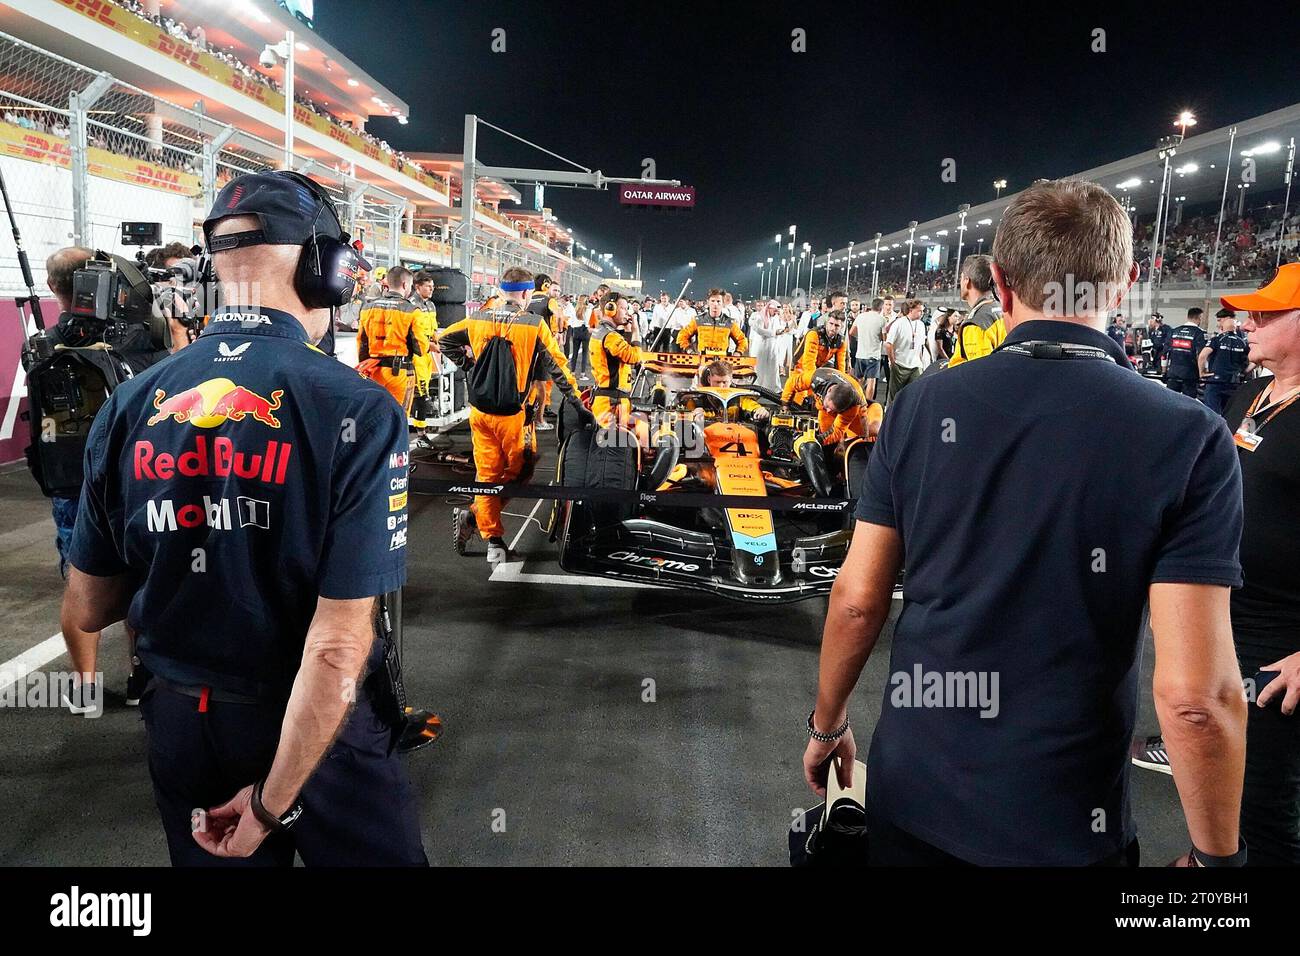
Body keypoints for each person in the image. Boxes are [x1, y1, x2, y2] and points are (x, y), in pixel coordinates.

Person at [803, 179, 1247, 867]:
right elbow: (1194, 696)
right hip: (1065, 822)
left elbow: (857, 602)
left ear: (1002, 285)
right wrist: (1217, 859)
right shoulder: (1188, 436)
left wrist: (828, 723)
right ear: (1125, 284)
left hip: (914, 797)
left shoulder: (921, 408)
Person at [61, 170, 428, 865]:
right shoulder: (358, 407)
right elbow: (335, 646)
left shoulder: (132, 400)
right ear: (329, 269)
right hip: (318, 729)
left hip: (183, 720)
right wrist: (268, 804)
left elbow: (85, 606)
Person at [1132, 263, 1300, 865]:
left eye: (1268, 313)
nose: (1247, 322)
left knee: (1263, 808)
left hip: (1281, 642)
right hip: (1226, 618)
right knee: (1222, 792)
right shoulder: (1250, 393)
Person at [42, 246, 174, 715]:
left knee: (82, 585)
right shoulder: (138, 341)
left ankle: (85, 688)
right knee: (141, 580)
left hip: (67, 480)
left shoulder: (40, 343)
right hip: (134, 479)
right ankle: (142, 676)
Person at [442, 267, 588, 564]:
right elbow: (558, 367)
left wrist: (468, 366)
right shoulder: (533, 325)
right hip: (513, 417)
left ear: (501, 290)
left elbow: (444, 340)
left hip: (480, 413)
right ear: (525, 293)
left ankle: (492, 538)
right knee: (522, 470)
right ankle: (475, 518)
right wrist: (578, 404)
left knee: (486, 476)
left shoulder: (478, 318)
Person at [356, 266, 427, 415]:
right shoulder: (412, 311)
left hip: (374, 371)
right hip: (399, 373)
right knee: (399, 418)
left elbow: (361, 343)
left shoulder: (367, 308)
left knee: (374, 415)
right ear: (405, 285)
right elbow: (421, 347)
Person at [589, 291, 647, 428]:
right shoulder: (610, 336)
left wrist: (627, 330)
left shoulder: (603, 331)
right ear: (610, 308)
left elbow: (620, 352)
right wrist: (636, 331)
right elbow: (634, 357)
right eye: (624, 308)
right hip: (612, 402)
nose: (627, 313)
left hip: (607, 398)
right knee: (614, 446)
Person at [782, 309, 848, 406]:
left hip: (816, 369)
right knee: (798, 401)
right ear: (826, 322)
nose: (833, 328)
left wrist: (840, 385)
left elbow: (840, 367)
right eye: (831, 323)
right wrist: (814, 387)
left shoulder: (841, 342)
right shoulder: (814, 334)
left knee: (816, 402)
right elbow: (808, 362)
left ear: (842, 327)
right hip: (799, 367)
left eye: (837, 325)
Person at [947, 254, 999, 367]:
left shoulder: (976, 323)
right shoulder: (1003, 310)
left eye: (961, 278)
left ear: (967, 281)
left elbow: (979, 374)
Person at [1200, 308, 1251, 415]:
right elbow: (1255, 360)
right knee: (1229, 414)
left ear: (1225, 320)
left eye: (1219, 320)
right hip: (1234, 382)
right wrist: (1244, 372)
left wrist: (1202, 372)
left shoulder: (1217, 340)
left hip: (1216, 381)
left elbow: (1202, 356)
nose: (1218, 323)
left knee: (1211, 414)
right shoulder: (1243, 342)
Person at [408, 270, 440, 436]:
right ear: (417, 287)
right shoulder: (411, 306)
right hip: (417, 354)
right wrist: (429, 346)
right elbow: (412, 335)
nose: (431, 289)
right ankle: (420, 431)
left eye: (432, 286)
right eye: (428, 286)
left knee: (424, 388)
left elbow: (433, 328)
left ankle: (421, 427)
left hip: (428, 354)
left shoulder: (431, 305)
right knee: (420, 392)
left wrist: (437, 341)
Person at [676, 288, 748, 358]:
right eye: (712, 301)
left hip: (722, 363)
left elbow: (742, 340)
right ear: (708, 302)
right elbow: (682, 336)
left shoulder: (729, 322)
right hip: (702, 362)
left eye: (718, 301)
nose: (715, 304)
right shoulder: (698, 320)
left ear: (723, 303)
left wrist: (738, 352)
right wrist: (690, 351)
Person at [883, 298, 929, 400]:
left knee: (915, 392)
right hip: (900, 364)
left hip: (915, 366)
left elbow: (920, 346)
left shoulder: (921, 325)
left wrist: (921, 362)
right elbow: (888, 344)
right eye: (919, 311)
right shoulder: (899, 323)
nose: (922, 313)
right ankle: (891, 414)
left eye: (922, 311)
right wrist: (893, 362)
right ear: (911, 310)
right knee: (895, 395)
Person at [1166, 308, 1208, 397]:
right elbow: (1201, 355)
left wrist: (1163, 370)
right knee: (1189, 402)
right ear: (1200, 317)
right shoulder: (1200, 333)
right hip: (1190, 373)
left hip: (1173, 371)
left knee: (1170, 399)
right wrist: (1202, 372)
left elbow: (1165, 353)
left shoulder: (1174, 331)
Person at [850, 298, 887, 397]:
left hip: (860, 354)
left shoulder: (861, 316)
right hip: (873, 356)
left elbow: (851, 332)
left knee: (859, 381)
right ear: (881, 308)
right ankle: (867, 406)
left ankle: (857, 402)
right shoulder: (882, 319)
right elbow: (884, 338)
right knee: (871, 382)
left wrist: (861, 336)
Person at [748, 298, 787, 391]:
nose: (775, 313)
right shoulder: (759, 317)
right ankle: (757, 388)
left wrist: (781, 331)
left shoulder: (776, 318)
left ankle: (774, 388)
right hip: (761, 347)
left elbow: (779, 328)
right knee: (760, 368)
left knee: (773, 368)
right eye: (774, 311)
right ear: (769, 309)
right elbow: (759, 330)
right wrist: (774, 333)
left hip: (772, 347)